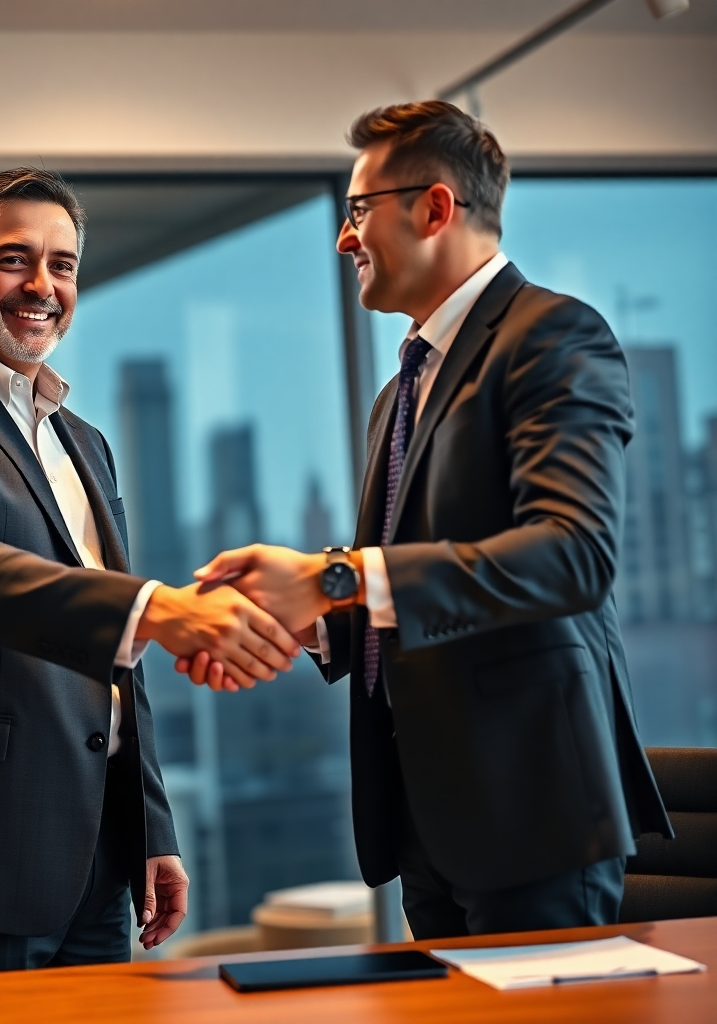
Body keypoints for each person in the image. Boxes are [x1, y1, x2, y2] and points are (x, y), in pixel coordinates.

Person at [186, 101, 672, 939]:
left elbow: (573, 555)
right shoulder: (400, 393)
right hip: (427, 823)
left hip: (531, 816)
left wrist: (333, 576)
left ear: (435, 208)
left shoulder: (554, 336)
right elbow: (404, 592)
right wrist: (300, 616)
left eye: (357, 210)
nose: (344, 239)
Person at [0, 168, 300, 999]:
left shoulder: (81, 439)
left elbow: (114, 659)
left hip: (93, 860)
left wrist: (152, 825)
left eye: (64, 264)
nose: (43, 286)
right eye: (14, 260)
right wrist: (160, 608)